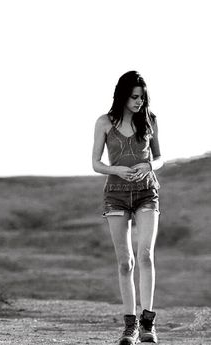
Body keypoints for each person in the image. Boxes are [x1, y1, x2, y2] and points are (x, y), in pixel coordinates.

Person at [92, 71, 163, 345]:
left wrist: (150, 165)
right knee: (126, 263)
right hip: (116, 196)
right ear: (123, 95)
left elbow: (160, 157)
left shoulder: (151, 120)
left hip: (147, 193)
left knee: (145, 255)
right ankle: (129, 327)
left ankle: (148, 324)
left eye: (142, 97)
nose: (138, 102)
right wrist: (116, 170)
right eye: (134, 97)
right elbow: (95, 163)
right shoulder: (104, 123)